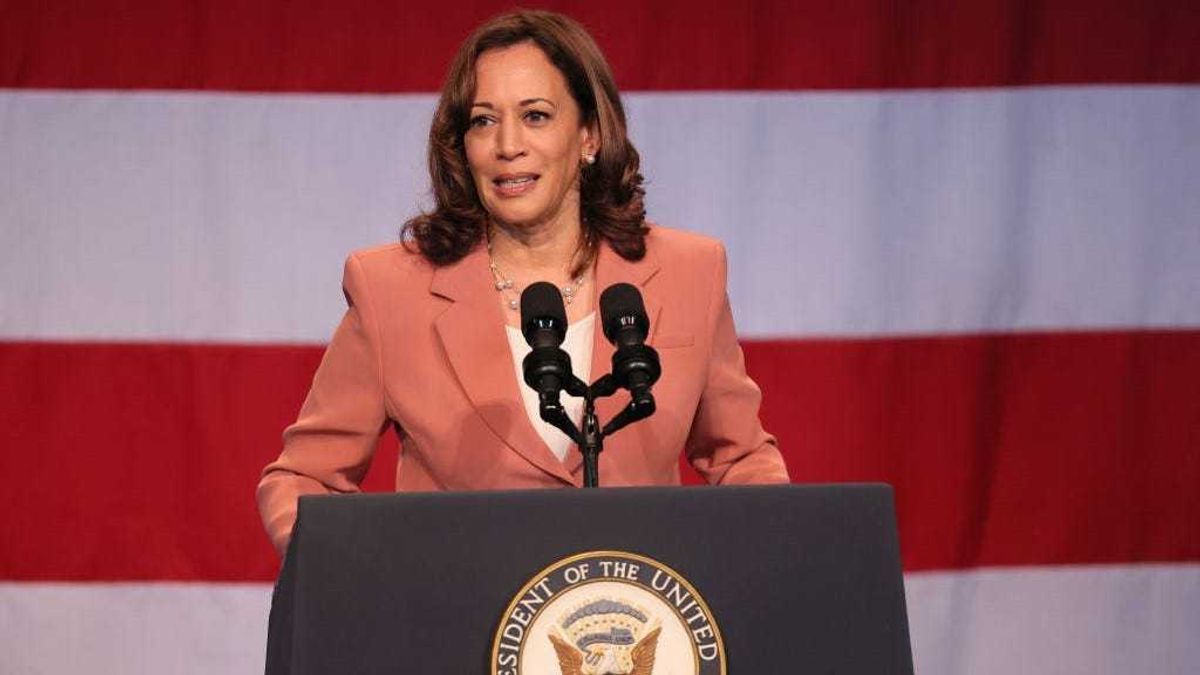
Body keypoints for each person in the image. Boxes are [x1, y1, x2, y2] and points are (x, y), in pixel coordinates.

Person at [257, 10, 789, 556]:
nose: (507, 144)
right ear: (462, 145)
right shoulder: (392, 290)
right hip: (460, 625)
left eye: (535, 116)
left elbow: (741, 459)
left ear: (589, 136)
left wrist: (774, 560)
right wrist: (358, 581)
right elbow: (303, 480)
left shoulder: (687, 272)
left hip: (631, 622)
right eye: (484, 121)